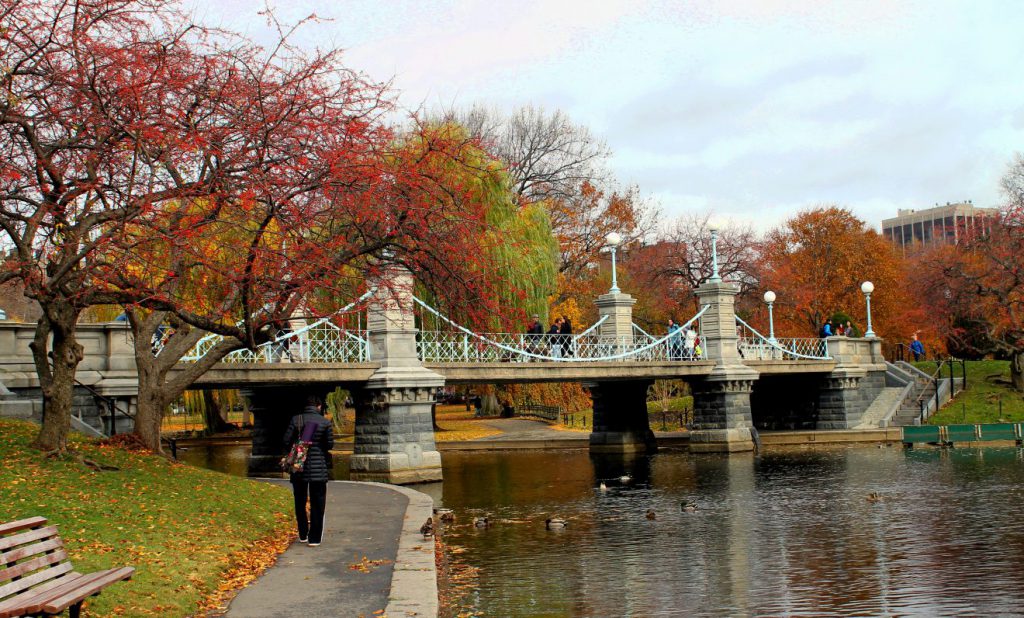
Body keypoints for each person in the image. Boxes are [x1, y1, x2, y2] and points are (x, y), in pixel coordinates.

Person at [282, 395, 334, 546]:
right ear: (318, 406)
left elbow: (286, 441)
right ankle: (315, 538)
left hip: (298, 468)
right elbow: (329, 445)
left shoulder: (295, 420)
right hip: (319, 469)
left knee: (300, 501)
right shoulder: (325, 422)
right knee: (318, 503)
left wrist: (299, 445)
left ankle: (303, 533)